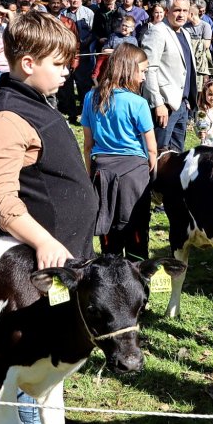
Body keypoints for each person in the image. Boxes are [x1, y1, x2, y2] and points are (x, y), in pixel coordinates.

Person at [0, 11, 99, 424]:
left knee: (59, 346)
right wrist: (45, 240)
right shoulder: (6, 117)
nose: (68, 71)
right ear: (27, 62)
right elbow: (0, 199)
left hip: (63, 253)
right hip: (34, 261)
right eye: (59, 63)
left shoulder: (37, 101)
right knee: (29, 352)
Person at [81, 44, 157, 261]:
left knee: (108, 228)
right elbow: (151, 148)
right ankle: (139, 283)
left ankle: (109, 279)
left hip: (101, 171)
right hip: (134, 174)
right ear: (128, 69)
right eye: (142, 71)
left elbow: (87, 144)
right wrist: (150, 176)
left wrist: (90, 173)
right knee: (136, 229)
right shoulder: (139, 103)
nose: (143, 78)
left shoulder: (90, 98)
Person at [142, 0, 200, 152]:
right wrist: (158, 103)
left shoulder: (186, 33)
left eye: (185, 10)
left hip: (182, 105)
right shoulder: (157, 32)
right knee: (158, 154)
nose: (181, 14)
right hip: (164, 106)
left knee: (176, 157)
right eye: (177, 10)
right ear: (167, 11)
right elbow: (149, 69)